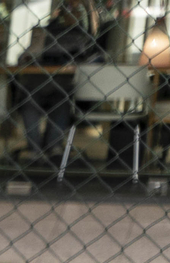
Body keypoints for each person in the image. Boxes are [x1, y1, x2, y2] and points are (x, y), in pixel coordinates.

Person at [24, 0, 110, 174]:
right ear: (60, 12)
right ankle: (35, 150)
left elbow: (92, 59)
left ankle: (53, 147)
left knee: (61, 101)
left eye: (76, 9)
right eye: (68, 8)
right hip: (37, 82)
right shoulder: (43, 32)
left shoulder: (82, 36)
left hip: (62, 85)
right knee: (30, 102)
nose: (72, 13)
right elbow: (25, 57)